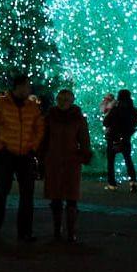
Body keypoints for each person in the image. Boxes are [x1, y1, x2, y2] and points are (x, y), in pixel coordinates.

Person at [0, 74, 44, 243]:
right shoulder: (0, 104)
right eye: (26, 86)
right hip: (5, 154)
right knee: (0, 192)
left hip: (25, 154)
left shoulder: (32, 107)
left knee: (27, 194)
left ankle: (24, 232)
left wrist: (33, 146)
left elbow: (39, 128)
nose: (28, 89)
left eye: (28, 87)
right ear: (17, 87)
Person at [39, 89, 91, 242]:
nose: (63, 102)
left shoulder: (78, 119)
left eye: (66, 99)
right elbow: (44, 138)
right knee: (55, 197)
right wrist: (42, 155)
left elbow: (84, 139)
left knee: (71, 197)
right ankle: (57, 230)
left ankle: (70, 231)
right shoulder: (49, 118)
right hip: (54, 160)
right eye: (61, 99)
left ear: (72, 101)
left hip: (71, 161)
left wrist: (84, 154)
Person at [103, 89, 137, 192]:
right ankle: (133, 182)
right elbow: (135, 123)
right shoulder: (133, 110)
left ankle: (112, 184)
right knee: (128, 160)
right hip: (126, 138)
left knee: (110, 161)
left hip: (113, 138)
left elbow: (106, 122)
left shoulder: (115, 109)